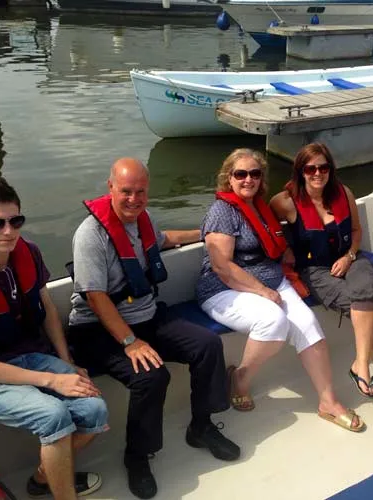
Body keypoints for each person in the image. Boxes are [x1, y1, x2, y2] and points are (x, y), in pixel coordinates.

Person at [68, 158, 239, 500]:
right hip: (97, 329)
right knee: (151, 375)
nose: (133, 199)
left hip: (146, 315)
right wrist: (130, 342)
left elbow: (161, 240)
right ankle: (137, 457)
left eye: (141, 192)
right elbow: (96, 297)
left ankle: (201, 426)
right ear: (110, 188)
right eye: (126, 192)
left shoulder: (141, 220)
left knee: (207, 344)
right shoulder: (90, 235)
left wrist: (204, 234)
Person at [0, 175, 108, 500]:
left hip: (29, 354)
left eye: (15, 220)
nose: (8, 231)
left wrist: (67, 363)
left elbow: (45, 306)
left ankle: (44, 477)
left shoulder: (27, 252)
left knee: (94, 410)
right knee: (54, 416)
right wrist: (54, 381)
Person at [197, 148, 365, 433]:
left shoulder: (258, 206)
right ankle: (239, 379)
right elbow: (222, 267)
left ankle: (328, 402)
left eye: (254, 174)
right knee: (273, 322)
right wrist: (262, 291)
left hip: (270, 280)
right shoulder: (222, 212)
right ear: (229, 178)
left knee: (310, 327)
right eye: (240, 174)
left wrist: (285, 252)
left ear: (261, 179)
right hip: (223, 289)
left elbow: (273, 239)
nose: (248, 179)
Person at [270, 143, 373, 402]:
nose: (317, 173)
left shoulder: (344, 193)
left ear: (331, 169)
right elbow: (266, 221)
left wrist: (349, 256)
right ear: (300, 171)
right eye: (311, 169)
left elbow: (355, 231)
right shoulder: (286, 202)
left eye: (323, 167)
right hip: (315, 269)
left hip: (351, 257)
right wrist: (285, 247)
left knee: (367, 291)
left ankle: (361, 365)